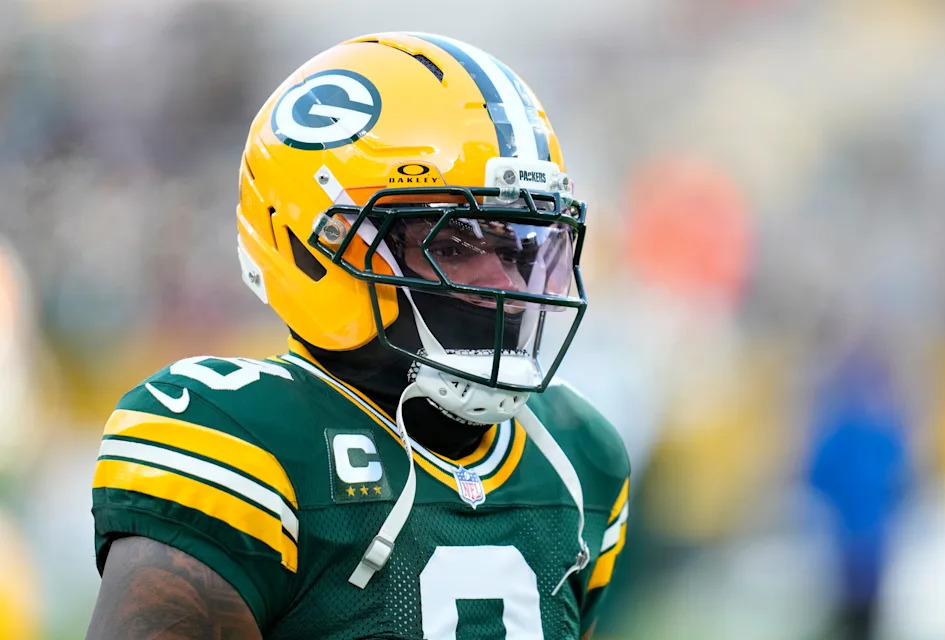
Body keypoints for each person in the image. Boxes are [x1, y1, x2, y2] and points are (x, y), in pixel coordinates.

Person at [86, 32, 630, 640]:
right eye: (452, 246)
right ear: (310, 246)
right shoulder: (241, 440)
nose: (503, 283)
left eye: (518, 246)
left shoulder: (579, 457)